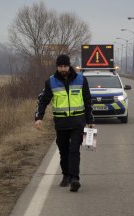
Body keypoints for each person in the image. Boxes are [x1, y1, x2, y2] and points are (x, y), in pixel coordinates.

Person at [34, 54, 94, 192]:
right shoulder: (51, 82)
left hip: (78, 122)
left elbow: (88, 101)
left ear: (69, 66)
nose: (63, 69)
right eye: (60, 66)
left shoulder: (81, 79)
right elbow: (43, 100)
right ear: (57, 67)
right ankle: (66, 175)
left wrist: (90, 121)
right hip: (61, 123)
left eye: (65, 66)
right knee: (63, 150)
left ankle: (74, 179)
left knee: (74, 150)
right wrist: (38, 118)